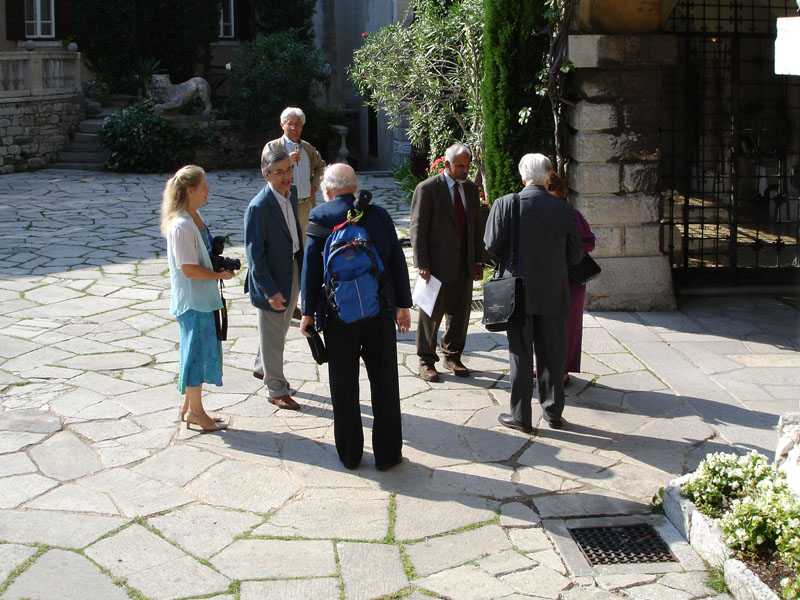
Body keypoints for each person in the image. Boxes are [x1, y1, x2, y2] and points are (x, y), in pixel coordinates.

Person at [300, 163, 412, 470]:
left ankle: (350, 455)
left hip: (338, 317)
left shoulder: (320, 217)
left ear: (328, 189)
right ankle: (388, 455)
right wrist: (402, 306)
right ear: (354, 186)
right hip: (378, 312)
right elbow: (396, 262)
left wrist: (307, 312)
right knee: (385, 384)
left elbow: (310, 269)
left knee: (344, 386)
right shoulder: (378, 215)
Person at [484, 154, 582, 432]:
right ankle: (553, 413)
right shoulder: (563, 209)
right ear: (548, 176)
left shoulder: (506, 204)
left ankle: (521, 416)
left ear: (522, 175)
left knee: (520, 354)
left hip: (517, 292)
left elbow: (491, 244)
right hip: (553, 291)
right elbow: (575, 255)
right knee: (552, 355)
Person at [161, 165, 234, 432]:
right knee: (195, 355)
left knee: (198, 353)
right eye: (204, 185)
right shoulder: (181, 225)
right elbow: (188, 268)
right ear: (190, 190)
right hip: (193, 300)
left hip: (202, 298)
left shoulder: (194, 217)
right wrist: (220, 277)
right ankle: (196, 412)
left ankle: (188, 406)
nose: (208, 189)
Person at [410, 143, 484, 382]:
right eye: (459, 166)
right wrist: (422, 261)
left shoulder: (471, 189)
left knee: (460, 314)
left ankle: (452, 355)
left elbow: (476, 228)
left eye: (467, 165)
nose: (464, 170)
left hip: (464, 261)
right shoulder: (428, 189)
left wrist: (478, 261)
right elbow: (418, 227)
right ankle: (426, 360)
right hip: (437, 263)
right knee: (431, 313)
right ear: (446, 164)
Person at [244, 149, 303, 411]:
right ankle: (276, 388)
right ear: (266, 174)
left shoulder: (290, 197)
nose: (285, 176)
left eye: (288, 169)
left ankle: (261, 367)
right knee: (274, 337)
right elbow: (254, 257)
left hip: (291, 270)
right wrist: (269, 290)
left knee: (275, 331)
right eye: (278, 172)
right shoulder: (258, 207)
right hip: (271, 280)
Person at [547, 172, 596, 385]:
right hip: (548, 277)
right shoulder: (541, 213)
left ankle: (563, 370)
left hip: (571, 279)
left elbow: (589, 242)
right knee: (545, 324)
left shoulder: (572, 215)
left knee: (568, 325)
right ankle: (544, 365)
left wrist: (568, 252)